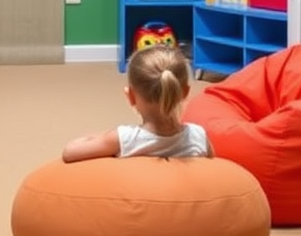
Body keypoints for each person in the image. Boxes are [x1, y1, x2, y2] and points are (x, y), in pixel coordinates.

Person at [62, 46, 212, 162]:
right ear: (185, 93)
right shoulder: (198, 135)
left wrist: (103, 135)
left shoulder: (123, 138)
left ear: (131, 97)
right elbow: (215, 167)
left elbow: (69, 152)